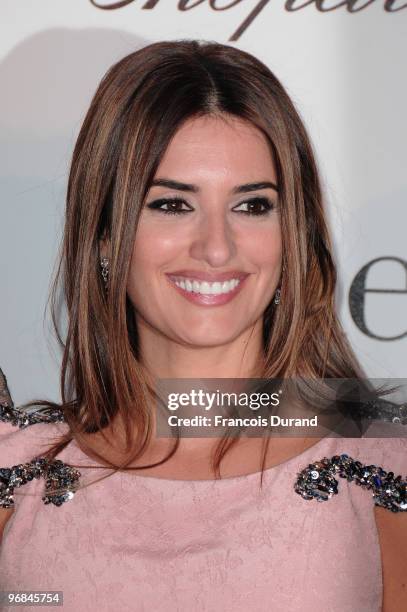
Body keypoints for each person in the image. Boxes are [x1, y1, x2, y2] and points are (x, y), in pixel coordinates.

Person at [0, 39, 406, 612]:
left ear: (293, 235)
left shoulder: (386, 461)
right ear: (106, 237)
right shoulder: (17, 473)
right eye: (171, 204)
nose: (217, 248)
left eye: (252, 205)